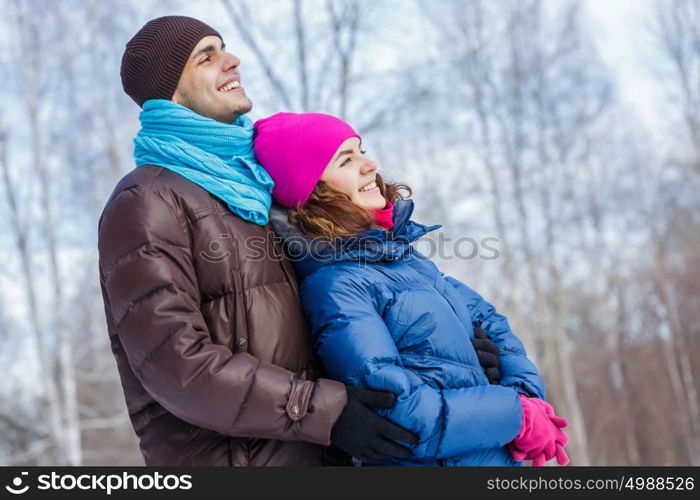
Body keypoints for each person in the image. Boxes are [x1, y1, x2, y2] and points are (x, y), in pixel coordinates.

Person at [98, 16, 502, 466]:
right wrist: (325, 411)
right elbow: (175, 365)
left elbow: (338, 315)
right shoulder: (148, 200)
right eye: (206, 57)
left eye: (224, 48)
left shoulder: (254, 190)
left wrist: (451, 352)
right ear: (170, 91)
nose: (232, 61)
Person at [255, 112, 571, 466]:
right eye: (346, 160)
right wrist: (517, 417)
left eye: (361, 150)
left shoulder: (405, 260)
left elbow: (491, 321)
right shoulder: (337, 285)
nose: (369, 165)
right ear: (312, 191)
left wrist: (527, 397)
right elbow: (396, 410)